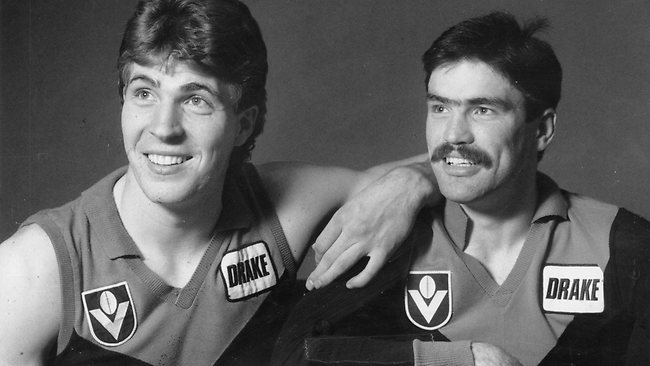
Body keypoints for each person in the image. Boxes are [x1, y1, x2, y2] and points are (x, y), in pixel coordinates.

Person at [0, 1, 438, 365]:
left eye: (195, 99)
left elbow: (456, 168)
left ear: (243, 125)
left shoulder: (278, 208)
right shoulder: (35, 269)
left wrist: (412, 182)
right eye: (144, 92)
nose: (163, 127)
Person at [271, 12, 650, 366]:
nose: (453, 134)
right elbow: (294, 354)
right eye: (440, 108)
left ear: (542, 130)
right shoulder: (394, 238)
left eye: (483, 110)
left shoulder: (617, 244)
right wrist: (464, 359)